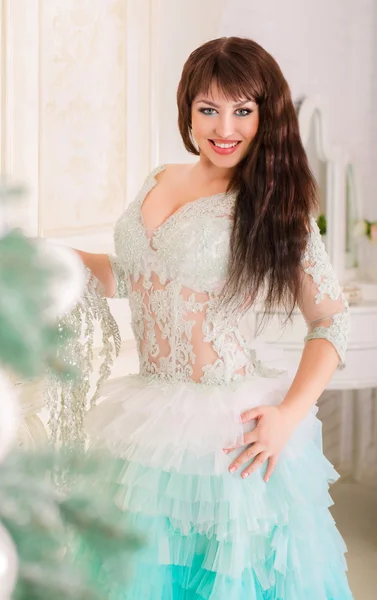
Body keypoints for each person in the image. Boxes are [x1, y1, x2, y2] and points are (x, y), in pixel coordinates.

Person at [76, 37, 353, 599]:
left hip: (227, 427)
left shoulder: (275, 202)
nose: (225, 127)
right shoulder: (160, 178)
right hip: (148, 417)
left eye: (243, 110)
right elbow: (131, 276)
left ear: (265, 115)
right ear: (189, 110)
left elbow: (330, 322)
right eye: (209, 109)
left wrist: (287, 416)